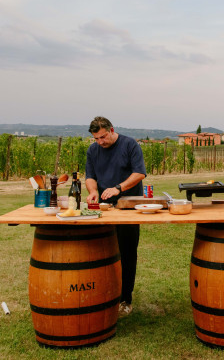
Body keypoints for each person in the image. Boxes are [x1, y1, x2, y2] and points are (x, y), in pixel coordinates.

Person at [85, 116, 146, 317]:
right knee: (101, 252)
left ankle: (125, 299)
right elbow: (90, 177)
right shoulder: (93, 150)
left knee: (127, 253)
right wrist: (92, 191)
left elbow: (139, 174)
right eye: (96, 139)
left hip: (128, 207)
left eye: (103, 137)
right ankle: (103, 294)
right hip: (103, 209)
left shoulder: (130, 145)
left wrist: (118, 188)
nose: (100, 142)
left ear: (111, 130)